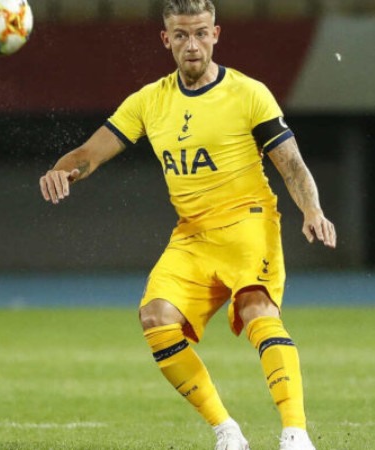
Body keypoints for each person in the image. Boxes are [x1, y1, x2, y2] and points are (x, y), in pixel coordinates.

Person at [39, 1, 336, 449]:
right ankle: (227, 431)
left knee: (257, 306)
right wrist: (62, 170)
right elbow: (89, 154)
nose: (192, 44)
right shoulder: (149, 101)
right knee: (155, 317)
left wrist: (312, 210)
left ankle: (295, 435)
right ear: (166, 40)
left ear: (216, 34)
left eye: (200, 33)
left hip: (248, 224)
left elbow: (291, 165)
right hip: (193, 235)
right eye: (181, 35)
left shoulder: (248, 93)